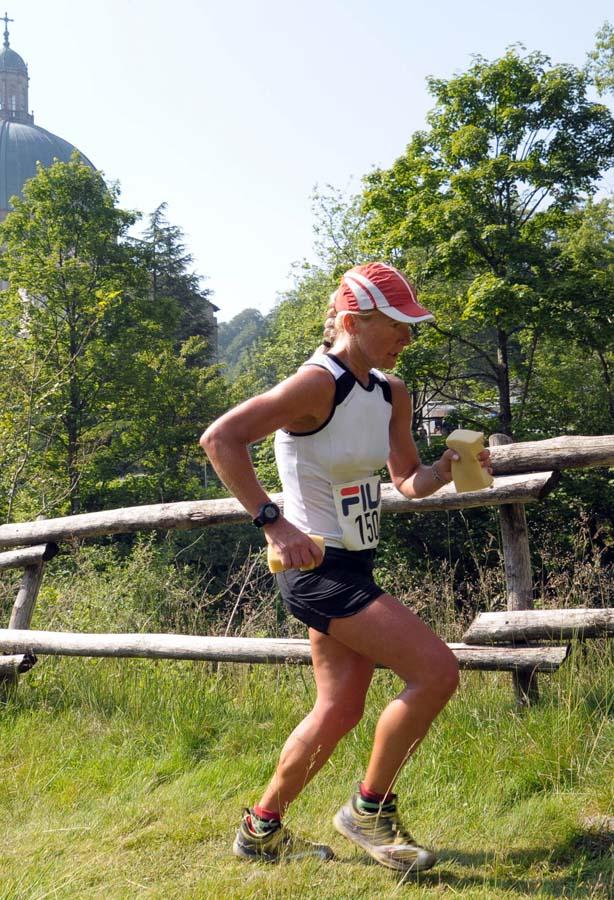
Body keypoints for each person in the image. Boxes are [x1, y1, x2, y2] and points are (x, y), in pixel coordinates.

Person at [200, 262, 492, 873]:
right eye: (396, 325)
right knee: (437, 670)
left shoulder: (391, 392)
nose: (406, 337)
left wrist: (447, 468)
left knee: (338, 709)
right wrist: (272, 520)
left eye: (412, 327)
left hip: (356, 564)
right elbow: (221, 439)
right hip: (312, 569)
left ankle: (260, 831)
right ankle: (369, 809)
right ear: (353, 322)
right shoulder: (315, 384)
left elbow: (406, 481)